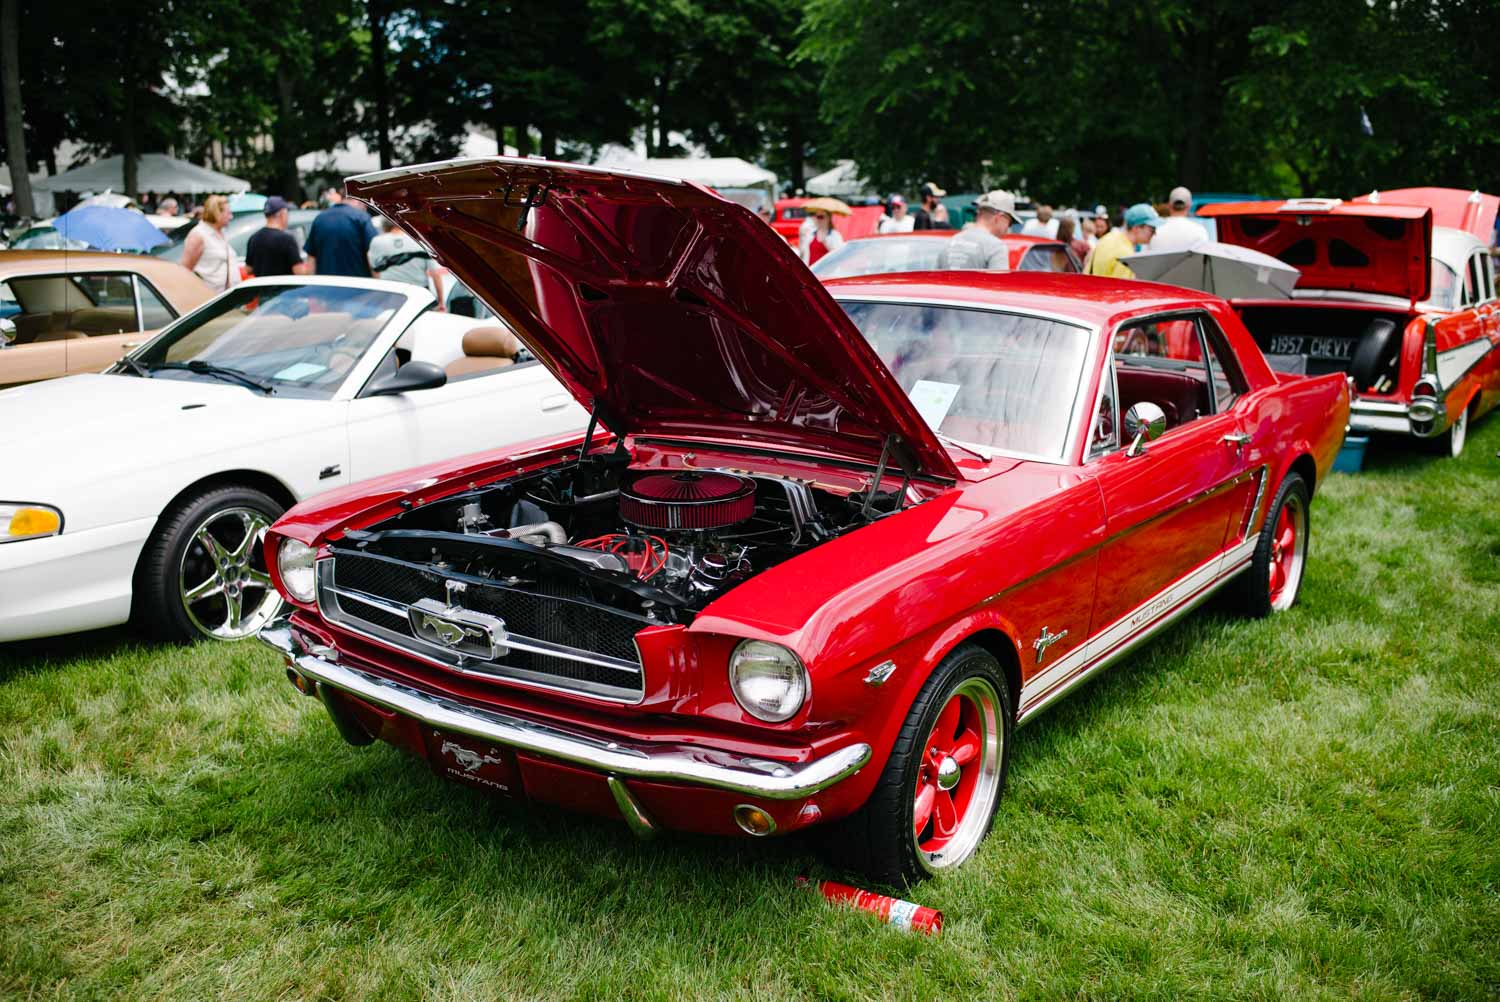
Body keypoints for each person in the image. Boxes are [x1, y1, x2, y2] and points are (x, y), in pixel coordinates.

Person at [935, 190, 1018, 270]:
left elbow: (935, 280)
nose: (1008, 228)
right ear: (998, 217)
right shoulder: (996, 247)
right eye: (1010, 223)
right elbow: (1000, 283)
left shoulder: (949, 243)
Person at [304, 187, 377, 277]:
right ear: (358, 200)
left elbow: (311, 258)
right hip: (358, 286)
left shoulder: (320, 218)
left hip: (326, 286)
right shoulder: (362, 218)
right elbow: (373, 253)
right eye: (366, 204)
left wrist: (311, 285)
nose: (365, 208)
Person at [1083, 202, 1161, 278]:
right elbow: (1121, 289)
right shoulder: (1126, 255)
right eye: (1152, 229)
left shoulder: (1109, 237)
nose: (1154, 233)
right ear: (1136, 228)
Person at [181, 194, 240, 291]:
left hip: (224, 298)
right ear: (217, 213)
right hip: (207, 298)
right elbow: (185, 271)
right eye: (228, 213)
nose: (231, 217)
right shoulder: (198, 234)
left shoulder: (221, 233)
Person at [245, 196, 305, 277]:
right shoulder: (286, 239)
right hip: (283, 289)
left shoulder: (254, 238)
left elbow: (248, 269)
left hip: (260, 288)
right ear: (281, 214)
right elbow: (299, 271)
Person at [367, 215, 433, 287]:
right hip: (419, 289)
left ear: (384, 226)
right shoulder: (420, 240)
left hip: (391, 289)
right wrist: (440, 298)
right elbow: (435, 273)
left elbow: (375, 270)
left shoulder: (377, 241)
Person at [1151, 185, 1209, 252]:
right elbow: (1204, 259)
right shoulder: (1200, 231)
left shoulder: (1153, 230)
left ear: (1169, 205)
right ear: (1189, 205)